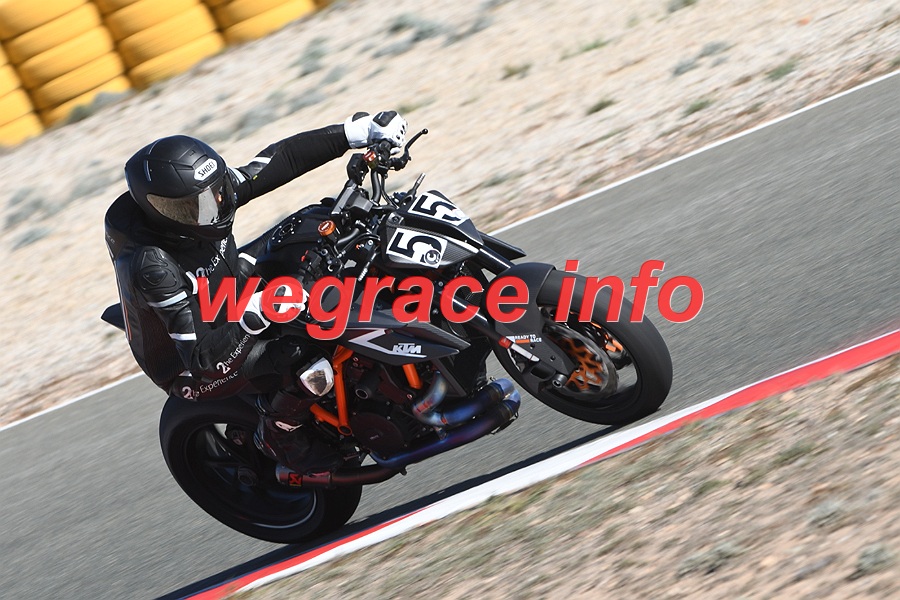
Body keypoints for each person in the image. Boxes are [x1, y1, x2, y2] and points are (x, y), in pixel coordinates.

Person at [104, 111, 408, 472]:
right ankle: (282, 434)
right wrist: (258, 312)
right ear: (159, 210)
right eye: (192, 208)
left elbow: (281, 160)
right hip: (197, 365)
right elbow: (202, 360)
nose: (212, 209)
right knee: (305, 354)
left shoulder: (208, 195)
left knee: (313, 224)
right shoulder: (151, 265)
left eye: (215, 194)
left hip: (230, 290)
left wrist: (352, 133)